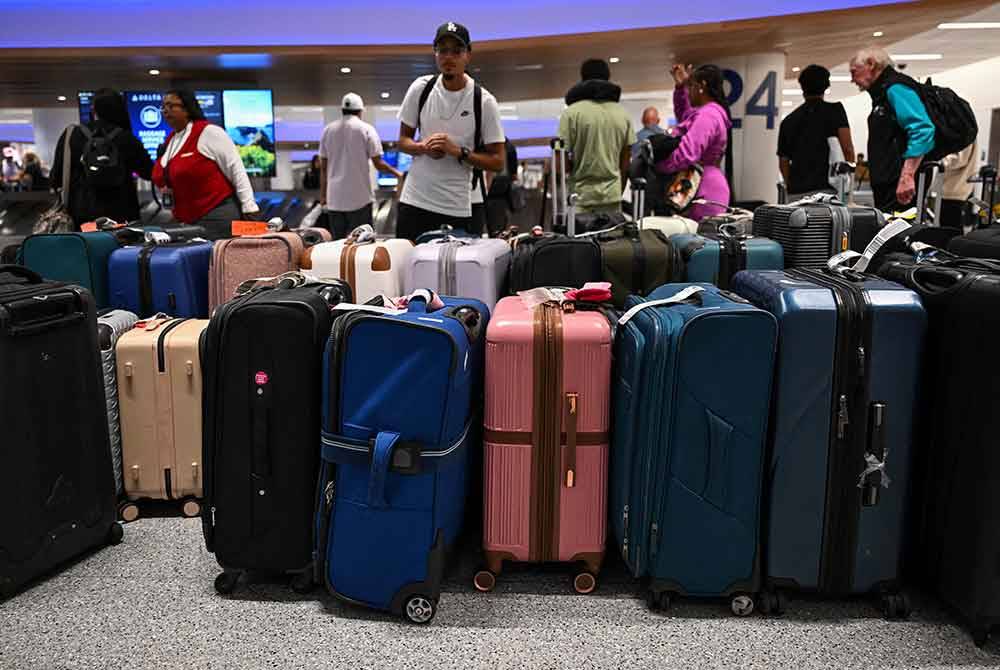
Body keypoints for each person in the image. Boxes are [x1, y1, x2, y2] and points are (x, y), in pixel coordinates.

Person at [396, 22, 506, 242]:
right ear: (435, 54)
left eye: (456, 51)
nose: (449, 57)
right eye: (443, 50)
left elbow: (498, 161)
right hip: (416, 199)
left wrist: (458, 152)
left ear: (468, 55)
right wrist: (422, 148)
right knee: (409, 270)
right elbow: (402, 141)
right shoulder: (421, 88)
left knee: (459, 274)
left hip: (462, 205)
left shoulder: (483, 101)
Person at [152, 89, 259, 238]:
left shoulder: (209, 132)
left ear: (187, 108)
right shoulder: (171, 140)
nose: (165, 111)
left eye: (171, 106)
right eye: (163, 107)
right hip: (185, 220)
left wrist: (250, 210)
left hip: (217, 216)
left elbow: (237, 171)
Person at [850, 46, 936, 212]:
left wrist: (907, 175)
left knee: (898, 234)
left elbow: (922, 129)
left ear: (871, 64)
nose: (852, 79)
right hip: (888, 182)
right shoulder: (882, 93)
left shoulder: (896, 88)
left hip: (900, 185)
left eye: (854, 72)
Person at [50, 88, 152, 227]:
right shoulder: (126, 138)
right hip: (122, 213)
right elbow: (148, 172)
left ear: (93, 110)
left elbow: (56, 176)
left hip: (81, 215)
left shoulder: (72, 135)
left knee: (85, 247)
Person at [558, 58, 634, 217]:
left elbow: (561, 160)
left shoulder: (571, 113)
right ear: (608, 77)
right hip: (612, 195)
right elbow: (626, 161)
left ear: (583, 78)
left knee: (581, 241)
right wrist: (619, 188)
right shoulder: (623, 114)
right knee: (612, 240)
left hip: (580, 196)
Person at [319, 93, 400, 237]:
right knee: (362, 244)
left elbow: (323, 168)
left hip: (334, 199)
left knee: (337, 244)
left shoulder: (328, 130)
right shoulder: (366, 129)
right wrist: (397, 174)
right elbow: (378, 163)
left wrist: (323, 195)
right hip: (360, 198)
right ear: (360, 111)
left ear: (342, 110)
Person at [658, 63, 733, 221]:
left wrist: (659, 166)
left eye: (690, 86)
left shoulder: (708, 115)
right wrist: (681, 87)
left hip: (704, 190)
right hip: (702, 185)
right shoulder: (708, 112)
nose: (688, 90)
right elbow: (686, 116)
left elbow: (687, 153)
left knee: (698, 243)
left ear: (702, 86)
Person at [777, 65, 856, 199]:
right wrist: (848, 179)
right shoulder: (835, 111)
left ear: (802, 87)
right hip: (828, 189)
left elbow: (783, 160)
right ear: (827, 85)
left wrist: (791, 185)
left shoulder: (789, 121)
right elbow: (847, 148)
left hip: (797, 190)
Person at [940, 141, 978, 230]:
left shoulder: (966, 133)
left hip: (955, 190)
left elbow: (959, 160)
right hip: (951, 189)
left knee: (950, 229)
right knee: (948, 227)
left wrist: (939, 159)